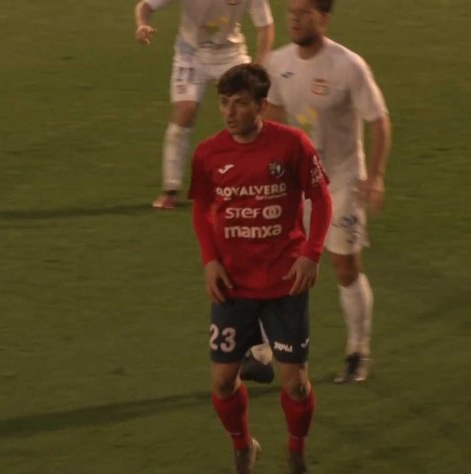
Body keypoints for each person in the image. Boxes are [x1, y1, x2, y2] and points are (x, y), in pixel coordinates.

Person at [189, 64, 332, 474]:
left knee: (296, 384)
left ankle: (296, 451)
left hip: (285, 283)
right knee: (221, 380)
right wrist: (210, 261)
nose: (229, 112)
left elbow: (321, 199)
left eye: (239, 103)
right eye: (223, 103)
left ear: (261, 106)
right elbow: (202, 209)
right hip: (233, 285)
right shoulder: (208, 154)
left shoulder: (292, 144)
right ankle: (243, 446)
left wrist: (311, 254)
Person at [263, 0, 392, 383]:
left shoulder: (348, 65)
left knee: (345, 266)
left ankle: (358, 352)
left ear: (323, 18)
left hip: (342, 180)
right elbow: (272, 118)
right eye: (291, 11)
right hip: (298, 184)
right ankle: (265, 350)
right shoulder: (277, 63)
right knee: (280, 266)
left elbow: (379, 120)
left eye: (304, 12)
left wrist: (376, 176)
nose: (294, 18)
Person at [134, 0, 274, 209]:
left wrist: (259, 65)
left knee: (249, 114)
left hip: (230, 53)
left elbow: (266, 26)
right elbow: (145, 5)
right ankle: (170, 190)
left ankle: (259, 181)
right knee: (185, 111)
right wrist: (142, 25)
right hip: (191, 54)